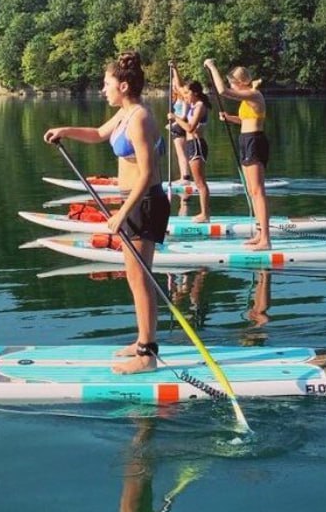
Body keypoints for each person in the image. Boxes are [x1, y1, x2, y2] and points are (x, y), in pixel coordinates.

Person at [44, 51, 170, 374]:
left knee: (140, 278)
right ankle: (143, 341)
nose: (103, 90)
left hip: (145, 203)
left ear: (124, 86)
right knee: (133, 277)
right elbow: (98, 134)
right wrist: (65, 130)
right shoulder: (125, 115)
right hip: (135, 203)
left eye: (107, 84)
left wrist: (120, 213)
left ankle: (148, 353)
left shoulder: (140, 117)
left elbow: (147, 173)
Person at [203, 59, 271, 250]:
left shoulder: (253, 94)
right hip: (246, 140)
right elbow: (245, 120)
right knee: (251, 191)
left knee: (258, 191)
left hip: (255, 142)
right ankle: (259, 233)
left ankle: (266, 239)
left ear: (240, 82)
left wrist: (212, 66)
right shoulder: (248, 98)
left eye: (232, 82)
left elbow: (223, 92)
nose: (231, 85)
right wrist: (229, 118)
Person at [167, 77, 210, 223]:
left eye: (187, 93)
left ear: (195, 93)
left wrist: (175, 118)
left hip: (197, 144)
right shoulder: (193, 105)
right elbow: (179, 87)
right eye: (184, 94)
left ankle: (205, 214)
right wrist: (175, 70)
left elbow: (190, 128)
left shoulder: (200, 106)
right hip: (192, 144)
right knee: (199, 182)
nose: (185, 96)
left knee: (200, 183)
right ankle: (203, 213)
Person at [167, 68, 192, 184]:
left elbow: (184, 116)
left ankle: (185, 177)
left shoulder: (183, 99)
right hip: (176, 126)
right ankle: (184, 176)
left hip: (180, 127)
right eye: (172, 85)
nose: (173, 87)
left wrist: (174, 69)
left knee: (182, 153)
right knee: (180, 154)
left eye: (174, 85)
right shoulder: (177, 98)